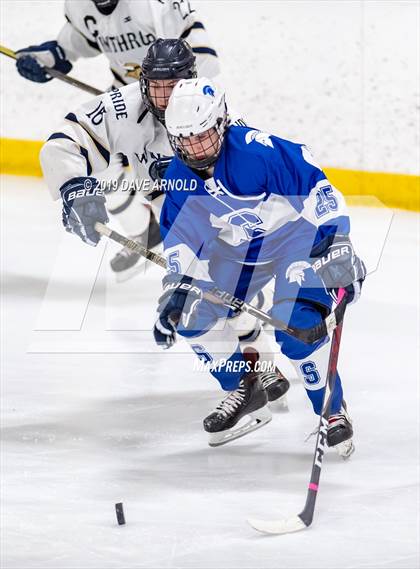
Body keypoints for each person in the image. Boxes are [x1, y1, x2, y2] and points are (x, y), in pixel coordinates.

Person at [39, 40, 290, 413]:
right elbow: (65, 141)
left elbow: (246, 181)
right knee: (201, 298)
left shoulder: (215, 112)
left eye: (170, 88)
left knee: (226, 290)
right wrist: (73, 186)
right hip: (170, 216)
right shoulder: (124, 105)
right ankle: (252, 373)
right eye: (154, 87)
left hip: (218, 212)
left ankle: (260, 364)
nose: (161, 98)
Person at [154, 77, 366, 452]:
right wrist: (179, 284)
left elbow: (318, 187)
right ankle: (247, 386)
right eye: (183, 139)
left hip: (293, 244)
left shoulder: (256, 152)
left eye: (201, 135)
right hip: (240, 254)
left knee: (297, 330)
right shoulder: (179, 176)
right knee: (188, 316)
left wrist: (337, 241)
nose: (194, 148)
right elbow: (181, 235)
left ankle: (332, 411)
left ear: (220, 122)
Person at [17, 0, 220, 279]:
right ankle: (144, 231)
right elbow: (81, 40)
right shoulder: (80, 6)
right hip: (128, 98)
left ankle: (223, 262)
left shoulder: (153, 5)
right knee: (100, 169)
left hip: (181, 103)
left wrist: (172, 108)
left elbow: (203, 59)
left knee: (184, 188)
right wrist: (51, 57)